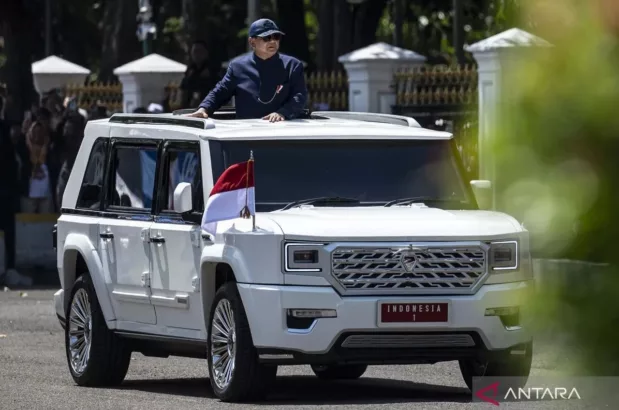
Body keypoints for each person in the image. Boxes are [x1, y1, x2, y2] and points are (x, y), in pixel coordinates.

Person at [186, 18, 308, 122]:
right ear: (252, 42)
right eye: (266, 37)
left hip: (283, 129)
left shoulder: (292, 65)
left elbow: (299, 96)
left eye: (276, 37)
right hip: (246, 132)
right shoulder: (238, 66)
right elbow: (221, 91)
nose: (273, 41)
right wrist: (204, 109)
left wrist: (282, 113)